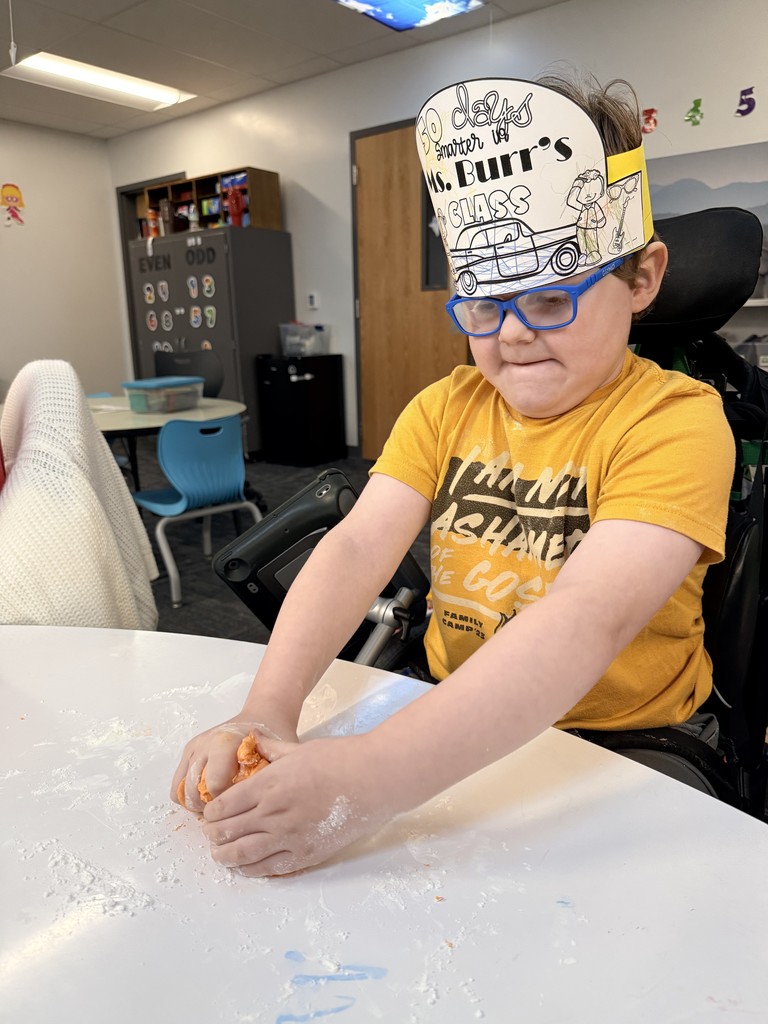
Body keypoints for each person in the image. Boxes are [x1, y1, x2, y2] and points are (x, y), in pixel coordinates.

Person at [171, 73, 734, 876]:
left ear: (640, 279)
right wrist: (267, 708)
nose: (511, 337)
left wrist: (370, 776)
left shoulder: (676, 421)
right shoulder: (446, 405)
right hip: (451, 709)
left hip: (625, 741)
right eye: (482, 303)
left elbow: (587, 618)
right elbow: (359, 545)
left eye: (548, 300)